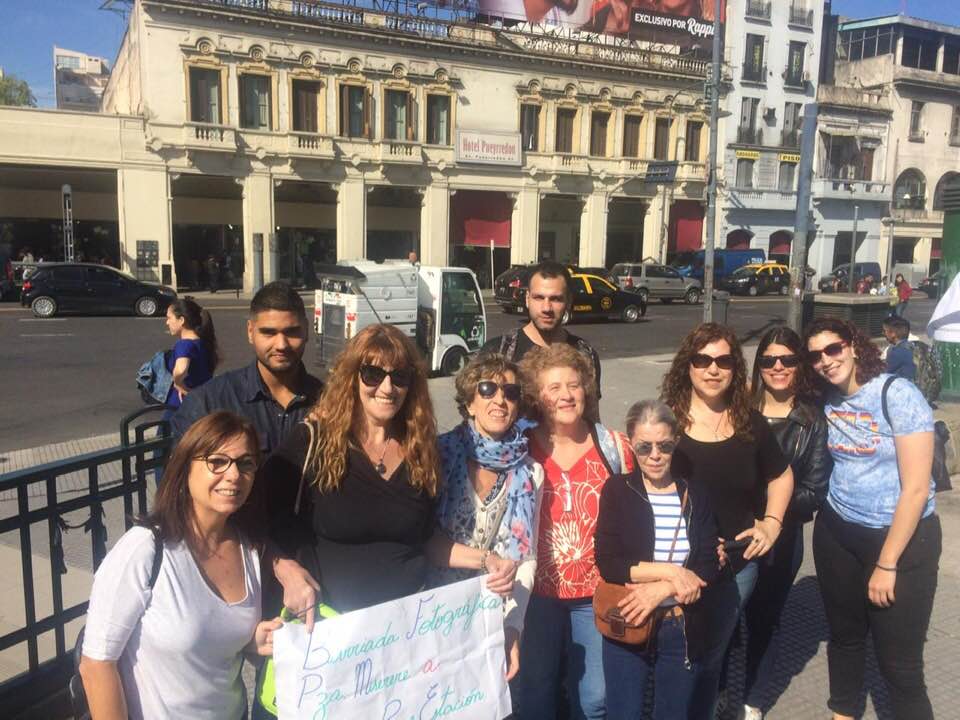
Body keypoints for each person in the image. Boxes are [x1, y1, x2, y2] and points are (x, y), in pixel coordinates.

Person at [79, 411, 281, 719]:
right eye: (217, 462)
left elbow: (207, 638)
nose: (233, 475)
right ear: (185, 467)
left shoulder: (249, 549)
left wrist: (252, 641)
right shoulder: (145, 549)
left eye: (245, 463)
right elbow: (96, 665)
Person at [803, 318, 940, 720]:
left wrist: (887, 563)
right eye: (816, 355)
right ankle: (843, 713)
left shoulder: (896, 394)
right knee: (844, 640)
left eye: (833, 349)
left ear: (852, 345)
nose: (826, 361)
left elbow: (916, 489)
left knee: (900, 666)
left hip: (901, 539)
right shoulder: (828, 397)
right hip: (838, 531)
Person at [660, 322, 794, 719]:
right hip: (680, 563)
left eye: (723, 361)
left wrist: (772, 523)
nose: (713, 369)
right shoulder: (668, 425)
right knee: (679, 647)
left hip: (738, 562)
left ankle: (708, 704)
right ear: (687, 366)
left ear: (735, 368)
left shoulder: (750, 424)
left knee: (714, 646)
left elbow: (781, 475)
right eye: (702, 360)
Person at [514, 342, 635, 720]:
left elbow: (638, 513)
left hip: (597, 592)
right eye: (554, 387)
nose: (566, 395)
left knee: (595, 698)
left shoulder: (615, 447)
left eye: (574, 385)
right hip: (535, 594)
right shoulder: (519, 449)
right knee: (535, 691)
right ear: (538, 396)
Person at [594, 399, 721, 719]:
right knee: (624, 713)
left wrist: (662, 589)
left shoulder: (696, 494)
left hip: (680, 624)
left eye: (664, 446)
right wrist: (673, 573)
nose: (654, 455)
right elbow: (608, 562)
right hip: (628, 617)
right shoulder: (617, 490)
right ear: (631, 445)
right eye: (644, 446)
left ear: (675, 442)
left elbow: (708, 565)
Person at [429, 353, 544, 682]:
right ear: (469, 403)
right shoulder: (436, 456)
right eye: (487, 389)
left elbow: (526, 558)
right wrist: (485, 559)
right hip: (431, 615)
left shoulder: (530, 473)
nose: (500, 400)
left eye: (510, 393)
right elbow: (419, 539)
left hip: (491, 618)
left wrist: (513, 627)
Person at [740, 327, 832, 720]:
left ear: (800, 364)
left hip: (781, 538)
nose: (778, 367)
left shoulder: (812, 420)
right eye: (768, 360)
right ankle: (719, 689)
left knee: (763, 619)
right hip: (732, 532)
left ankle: (753, 698)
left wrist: (769, 512)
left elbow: (814, 491)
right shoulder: (739, 410)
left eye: (788, 360)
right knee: (723, 617)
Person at [171, 282, 323, 455]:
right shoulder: (208, 403)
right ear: (250, 332)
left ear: (307, 331)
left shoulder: (331, 404)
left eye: (291, 332)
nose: (281, 345)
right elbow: (181, 469)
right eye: (269, 333)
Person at [481, 260, 602, 404]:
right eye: (538, 298)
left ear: (569, 301)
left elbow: (592, 413)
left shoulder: (585, 355)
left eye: (556, 299)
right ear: (527, 299)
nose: (546, 308)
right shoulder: (498, 351)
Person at [163, 297, 218, 410]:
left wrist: (178, 384)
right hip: (203, 400)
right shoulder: (203, 342)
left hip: (181, 405)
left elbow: (181, 370)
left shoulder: (184, 345)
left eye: (169, 318)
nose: (167, 322)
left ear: (181, 320)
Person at [883, 316, 917, 382]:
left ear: (893, 334)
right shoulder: (911, 346)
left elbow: (885, 371)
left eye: (885, 331)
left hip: (903, 385)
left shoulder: (897, 352)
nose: (883, 333)